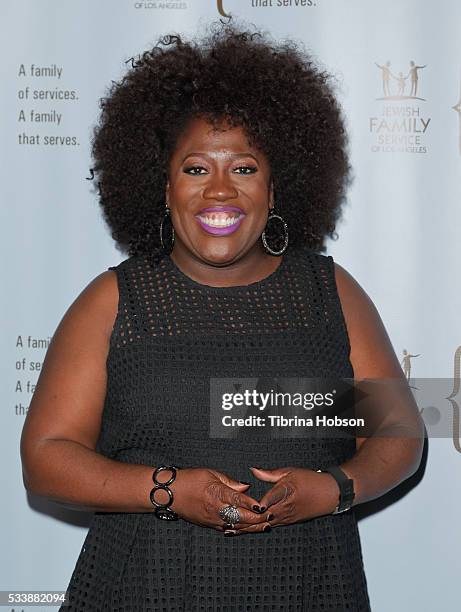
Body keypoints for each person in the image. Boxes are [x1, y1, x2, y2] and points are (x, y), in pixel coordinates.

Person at [20, 19, 424, 611]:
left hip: (306, 585)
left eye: (243, 167)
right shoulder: (114, 301)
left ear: (275, 184)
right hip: (145, 587)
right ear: (161, 186)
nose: (219, 191)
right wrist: (168, 489)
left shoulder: (329, 292)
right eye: (195, 168)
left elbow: (399, 433)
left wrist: (334, 489)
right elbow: (47, 456)